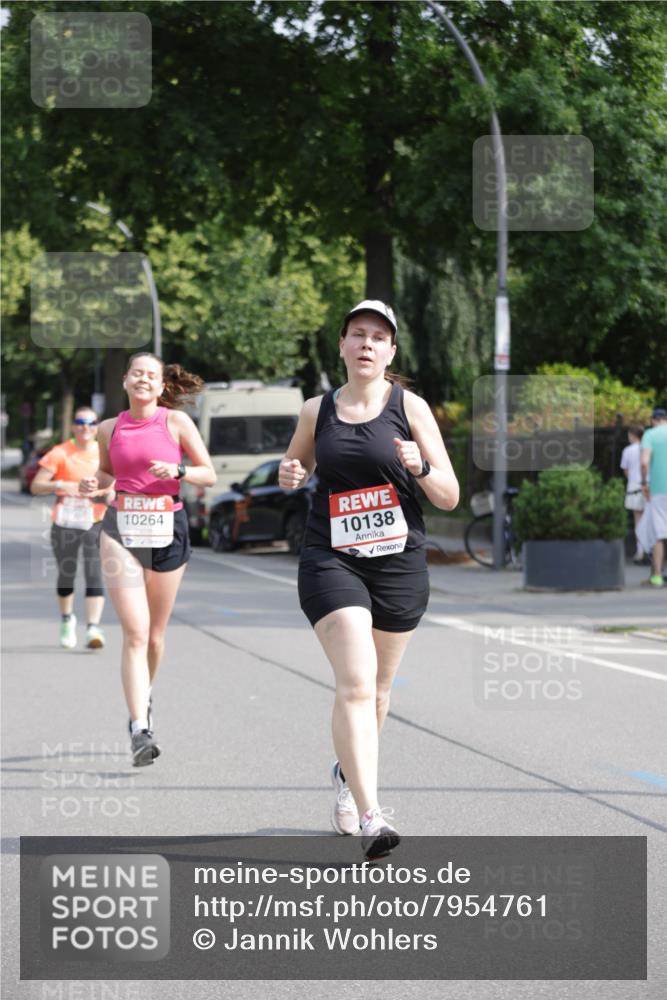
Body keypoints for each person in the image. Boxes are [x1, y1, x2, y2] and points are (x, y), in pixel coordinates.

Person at [279, 300, 459, 860]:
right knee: (355, 683)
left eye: (378, 338)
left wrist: (420, 467)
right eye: (357, 334)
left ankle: (346, 774)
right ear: (342, 346)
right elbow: (295, 470)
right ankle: (371, 815)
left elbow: (449, 496)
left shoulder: (411, 408)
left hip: (398, 561)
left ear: (390, 352)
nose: (366, 344)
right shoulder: (316, 411)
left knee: (378, 690)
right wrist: (290, 472)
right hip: (332, 558)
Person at [79, 353, 216, 766]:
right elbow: (107, 474)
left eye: (150, 375)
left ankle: (145, 696)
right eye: (136, 373)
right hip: (121, 527)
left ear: (161, 386)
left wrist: (178, 471)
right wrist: (94, 483)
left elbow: (208, 473)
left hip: (168, 526)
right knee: (135, 633)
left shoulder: (176, 422)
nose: (143, 379)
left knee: (155, 637)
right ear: (125, 380)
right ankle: (140, 727)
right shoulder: (109, 428)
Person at [31, 406, 109, 650]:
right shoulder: (60, 452)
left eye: (91, 423)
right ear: (74, 426)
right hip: (65, 522)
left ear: (97, 427)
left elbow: (114, 484)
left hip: (95, 520)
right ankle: (67, 619)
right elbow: (36, 485)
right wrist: (61, 484)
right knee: (67, 573)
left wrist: (105, 494)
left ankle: (93, 628)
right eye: (81, 422)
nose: (86, 427)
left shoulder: (105, 453)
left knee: (94, 572)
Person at [638, 407, 667, 587]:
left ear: (654, 420)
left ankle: (657, 575)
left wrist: (644, 483)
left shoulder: (650, 434)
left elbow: (644, 462)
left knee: (659, 532)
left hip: (659, 489)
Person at [620, 424, 647, 563]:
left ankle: (640, 551)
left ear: (632, 435)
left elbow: (626, 470)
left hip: (634, 485)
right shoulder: (648, 448)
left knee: (638, 520)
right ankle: (651, 550)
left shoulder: (628, 450)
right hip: (649, 485)